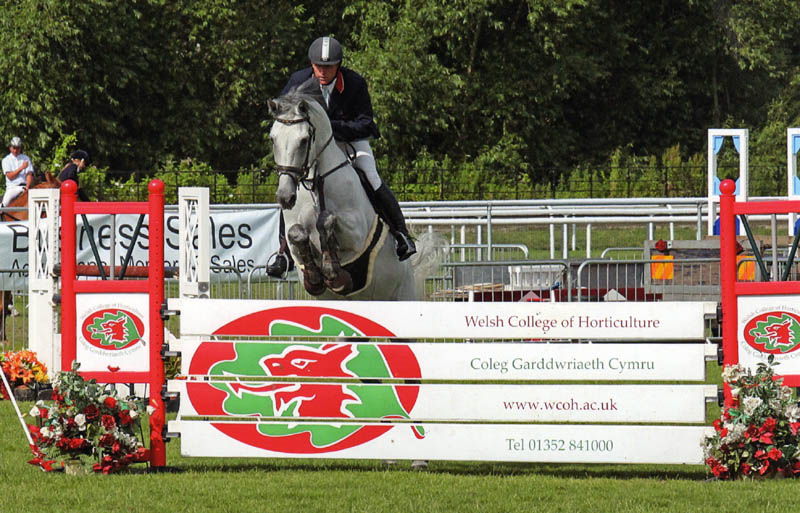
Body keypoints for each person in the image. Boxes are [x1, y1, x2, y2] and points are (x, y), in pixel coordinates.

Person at [267, 36, 416, 278]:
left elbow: (366, 123)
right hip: (311, 144)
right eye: (318, 66)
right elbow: (284, 114)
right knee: (288, 185)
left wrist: (332, 128)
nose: (322, 72)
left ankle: (401, 235)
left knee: (371, 175)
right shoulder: (298, 80)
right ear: (311, 64)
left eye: (328, 66)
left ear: (339, 65)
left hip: (348, 140)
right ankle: (283, 253)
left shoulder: (355, 83)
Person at [1, 137, 34, 207]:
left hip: (24, 187)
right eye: (14, 148)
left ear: (20, 148)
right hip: (12, 188)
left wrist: (27, 187)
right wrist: (21, 168)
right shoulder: (6, 160)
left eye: (18, 148)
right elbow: (10, 176)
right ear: (10, 148)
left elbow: (29, 174)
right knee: (4, 204)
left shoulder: (26, 158)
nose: (16, 150)